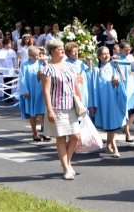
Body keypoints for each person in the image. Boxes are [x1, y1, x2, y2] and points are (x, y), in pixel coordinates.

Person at [42, 39, 83, 180]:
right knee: (61, 138)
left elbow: (76, 86)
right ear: (52, 51)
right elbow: (46, 91)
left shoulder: (70, 66)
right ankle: (66, 168)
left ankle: (68, 161)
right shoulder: (47, 68)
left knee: (75, 136)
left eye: (62, 48)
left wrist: (82, 103)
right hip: (57, 106)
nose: (62, 50)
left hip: (71, 106)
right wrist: (49, 110)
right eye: (59, 48)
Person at [89, 46, 127, 158]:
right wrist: (93, 104)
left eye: (108, 53)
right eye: (104, 54)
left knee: (114, 125)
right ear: (99, 57)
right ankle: (114, 148)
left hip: (115, 99)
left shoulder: (114, 67)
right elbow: (93, 88)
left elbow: (123, 80)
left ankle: (109, 145)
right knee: (110, 125)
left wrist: (118, 78)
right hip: (104, 101)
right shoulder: (97, 71)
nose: (106, 56)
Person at [18, 46, 47, 142]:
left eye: (37, 55)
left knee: (42, 113)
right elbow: (22, 79)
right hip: (30, 92)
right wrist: (25, 90)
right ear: (29, 56)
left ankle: (46, 132)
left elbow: (48, 73)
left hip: (41, 92)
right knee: (32, 114)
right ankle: (35, 133)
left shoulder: (41, 63)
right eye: (33, 55)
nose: (36, 57)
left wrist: (44, 62)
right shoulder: (25, 65)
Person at [117, 42, 134, 143]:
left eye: (129, 49)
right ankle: (127, 132)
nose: (128, 51)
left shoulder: (131, 58)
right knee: (125, 110)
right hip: (123, 86)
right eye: (125, 49)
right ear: (120, 49)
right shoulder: (118, 59)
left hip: (132, 86)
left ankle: (126, 127)